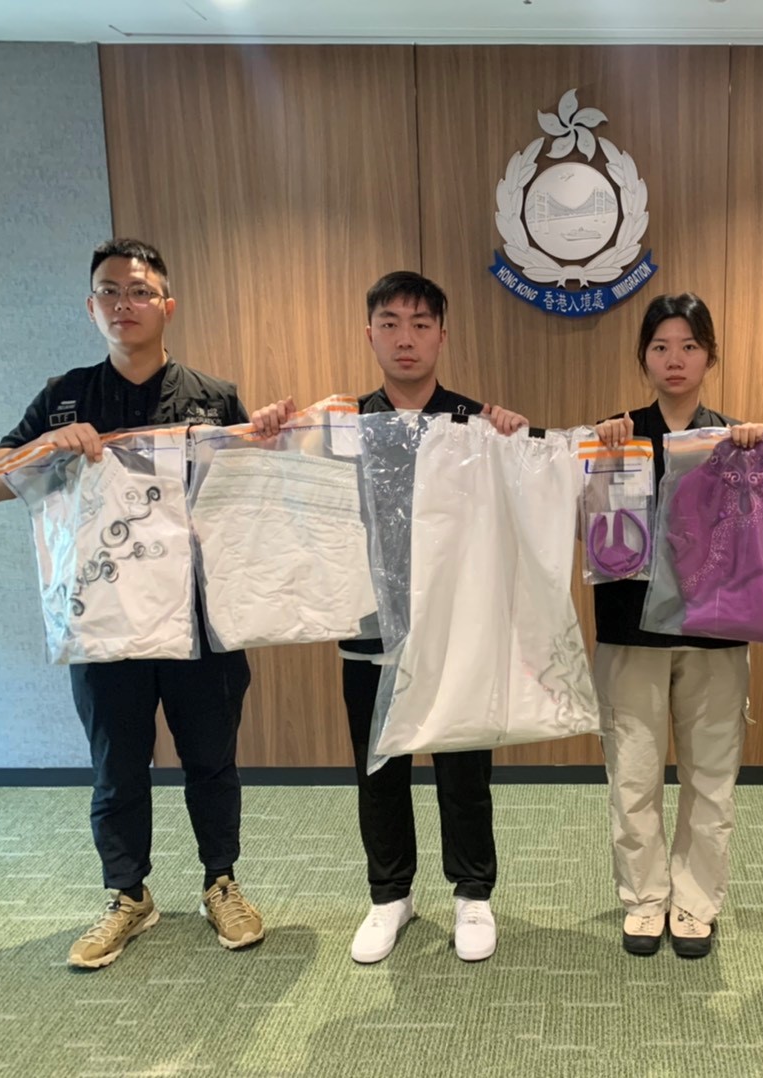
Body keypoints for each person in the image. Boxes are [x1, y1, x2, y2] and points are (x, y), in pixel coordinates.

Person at [0, 238, 291, 969]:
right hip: (105, 619)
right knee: (117, 765)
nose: (125, 303)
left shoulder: (212, 395)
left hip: (200, 619)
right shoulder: (64, 396)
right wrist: (48, 447)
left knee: (210, 759)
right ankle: (128, 895)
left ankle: (221, 882)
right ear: (91, 307)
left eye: (140, 291)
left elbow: (252, 490)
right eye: (110, 291)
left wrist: (269, 438)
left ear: (167, 306)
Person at [340, 271, 528, 965]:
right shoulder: (343, 426)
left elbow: (524, 500)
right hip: (369, 626)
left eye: (421, 324)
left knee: (463, 766)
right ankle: (390, 894)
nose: (406, 338)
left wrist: (517, 441)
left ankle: (473, 892)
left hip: (456, 628)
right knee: (379, 767)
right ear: (370, 334)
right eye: (390, 323)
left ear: (443, 336)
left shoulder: (476, 424)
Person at [592, 292, 763, 959]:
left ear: (709, 357)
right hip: (630, 629)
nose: (675, 359)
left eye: (689, 346)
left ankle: (694, 902)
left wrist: (760, 455)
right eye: (661, 346)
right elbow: (590, 533)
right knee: (633, 775)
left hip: (715, 630)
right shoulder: (616, 438)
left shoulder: (737, 438)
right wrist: (596, 455)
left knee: (710, 777)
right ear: (643, 357)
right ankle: (644, 898)